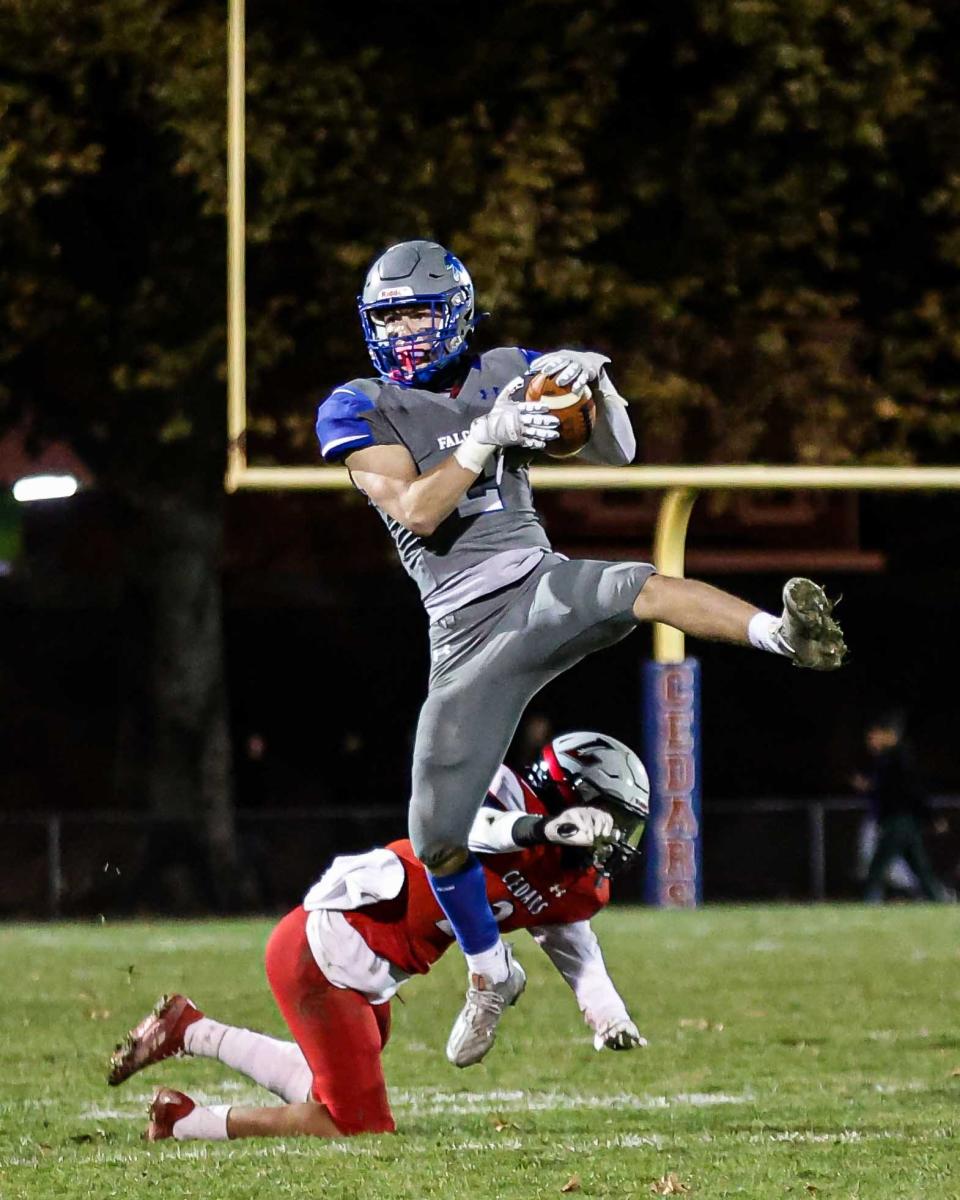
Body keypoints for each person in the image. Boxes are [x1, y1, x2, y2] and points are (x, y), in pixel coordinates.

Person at [314, 238, 848, 1066]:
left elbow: (618, 452)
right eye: (391, 316)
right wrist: (486, 436)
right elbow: (417, 511)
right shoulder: (359, 403)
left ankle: (780, 634)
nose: (407, 329)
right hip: (464, 632)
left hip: (537, 583)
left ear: (455, 310)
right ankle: (492, 973)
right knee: (438, 837)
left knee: (640, 583)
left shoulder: (502, 366)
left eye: (419, 310)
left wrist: (597, 384)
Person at [107, 731, 651, 1141]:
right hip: (326, 953)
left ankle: (190, 1030)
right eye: (609, 815)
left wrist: (608, 1015)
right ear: (568, 793)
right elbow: (460, 831)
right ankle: (183, 1123)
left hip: (372, 974)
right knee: (359, 1126)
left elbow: (574, 943)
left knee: (329, 1087)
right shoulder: (502, 792)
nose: (615, 836)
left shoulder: (573, 880)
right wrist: (543, 828)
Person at [854, 709, 950, 903]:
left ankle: (868, 904)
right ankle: (940, 900)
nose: (870, 741)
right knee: (920, 868)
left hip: (899, 821)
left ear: (888, 734)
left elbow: (914, 792)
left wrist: (932, 817)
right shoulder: (888, 760)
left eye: (874, 735)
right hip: (902, 821)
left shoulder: (899, 759)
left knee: (878, 865)